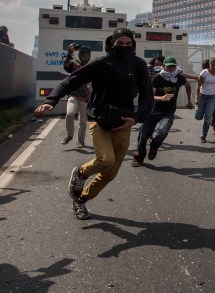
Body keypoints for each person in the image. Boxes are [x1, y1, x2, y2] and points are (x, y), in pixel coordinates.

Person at [34, 28, 152, 220]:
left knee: (110, 173)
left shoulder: (138, 65)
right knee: (106, 161)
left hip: (125, 121)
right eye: (119, 43)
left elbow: (148, 95)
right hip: (99, 118)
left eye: (128, 44)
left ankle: (81, 200)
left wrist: (138, 118)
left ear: (133, 45)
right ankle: (81, 173)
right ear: (111, 43)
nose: (124, 47)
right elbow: (71, 80)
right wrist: (51, 100)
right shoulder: (101, 63)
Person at [132, 56, 193, 166]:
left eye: (173, 67)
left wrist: (189, 100)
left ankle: (154, 145)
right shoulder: (157, 78)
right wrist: (161, 98)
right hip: (152, 111)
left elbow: (187, 85)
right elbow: (149, 96)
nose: (170, 69)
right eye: (168, 66)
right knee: (142, 138)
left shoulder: (178, 78)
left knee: (162, 131)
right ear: (163, 66)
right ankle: (139, 158)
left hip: (168, 112)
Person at [61, 44, 92, 146]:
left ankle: (81, 140)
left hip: (85, 97)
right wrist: (69, 54)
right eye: (83, 54)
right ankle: (69, 136)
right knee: (69, 114)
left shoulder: (91, 65)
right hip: (73, 94)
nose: (85, 56)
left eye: (87, 54)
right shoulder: (75, 64)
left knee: (82, 121)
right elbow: (66, 66)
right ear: (79, 54)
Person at [195, 58, 215, 143]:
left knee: (208, 117)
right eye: (212, 65)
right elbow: (198, 86)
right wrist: (197, 98)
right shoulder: (204, 72)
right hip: (202, 97)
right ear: (209, 65)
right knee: (198, 117)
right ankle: (198, 108)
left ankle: (203, 135)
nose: (214, 67)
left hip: (212, 98)